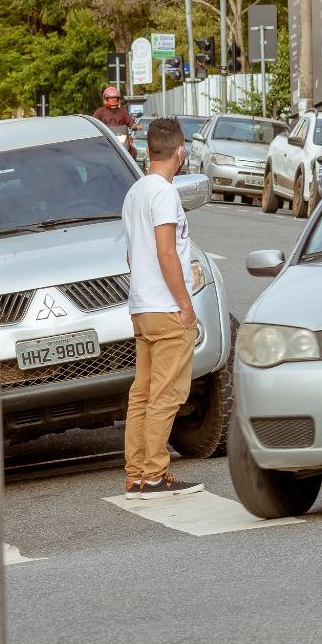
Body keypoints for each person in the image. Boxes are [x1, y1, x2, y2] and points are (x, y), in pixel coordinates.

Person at [120, 117, 203, 500]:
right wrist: (185, 305)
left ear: (148, 148)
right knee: (167, 394)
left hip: (141, 306)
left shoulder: (134, 192)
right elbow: (166, 251)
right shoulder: (165, 194)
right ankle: (155, 473)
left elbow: (132, 254)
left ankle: (136, 473)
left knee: (143, 393)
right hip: (167, 308)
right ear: (180, 152)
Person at [93, 85, 137, 154]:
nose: (113, 99)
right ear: (106, 99)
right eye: (111, 98)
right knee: (96, 151)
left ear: (118, 99)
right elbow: (94, 122)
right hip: (105, 139)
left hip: (121, 139)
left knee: (134, 151)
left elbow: (130, 122)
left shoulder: (123, 111)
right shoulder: (100, 112)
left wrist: (135, 126)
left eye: (115, 98)